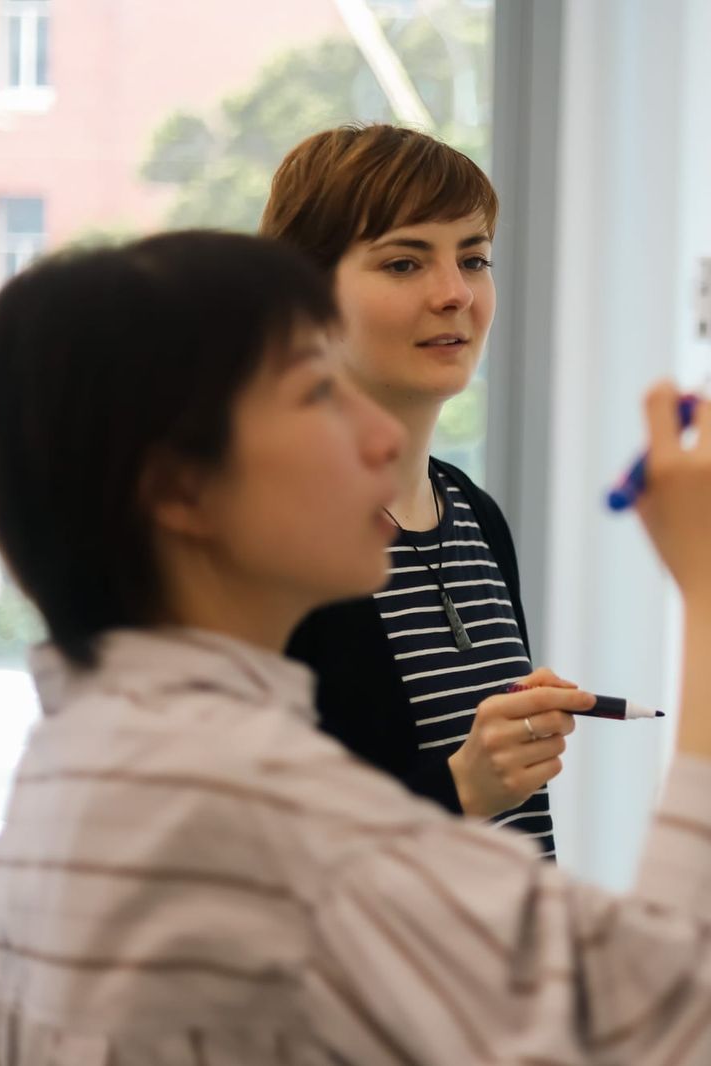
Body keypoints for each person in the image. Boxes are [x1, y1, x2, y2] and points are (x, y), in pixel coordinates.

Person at [0, 231, 711, 1065]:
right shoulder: (230, 803)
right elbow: (681, 1016)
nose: (380, 438)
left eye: (474, 256)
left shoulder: (84, 766)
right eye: (317, 394)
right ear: (180, 488)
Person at [261, 125, 559, 848]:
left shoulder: (472, 513)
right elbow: (245, 842)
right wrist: (458, 787)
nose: (455, 294)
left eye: (475, 258)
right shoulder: (269, 531)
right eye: (403, 263)